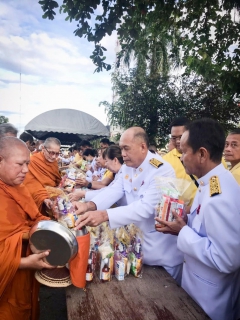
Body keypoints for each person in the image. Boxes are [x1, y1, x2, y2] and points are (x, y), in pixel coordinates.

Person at [73, 127, 183, 283]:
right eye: (121, 148)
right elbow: (113, 191)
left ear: (143, 147)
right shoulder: (127, 167)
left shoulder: (162, 170)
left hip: (160, 254)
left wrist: (104, 215)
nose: (122, 153)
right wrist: (89, 205)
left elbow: (145, 207)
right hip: (137, 249)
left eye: (126, 148)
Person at [155, 119, 240, 320]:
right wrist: (185, 220)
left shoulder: (219, 196)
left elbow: (227, 260)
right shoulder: (211, 183)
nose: (181, 158)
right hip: (199, 290)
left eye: (184, 152)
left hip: (210, 300)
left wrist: (182, 231)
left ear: (202, 154)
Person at [0, 137, 53, 320]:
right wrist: (23, 263)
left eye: (28, 164)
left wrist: (48, 225)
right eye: (20, 164)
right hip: (7, 285)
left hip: (24, 279)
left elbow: (34, 217)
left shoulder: (18, 187)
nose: (26, 170)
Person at [163, 117, 198, 208]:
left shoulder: (202, 155)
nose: (178, 141)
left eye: (181, 137)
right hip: (180, 213)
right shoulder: (165, 161)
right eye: (174, 138)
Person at [24, 137, 61, 216]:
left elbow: (56, 179)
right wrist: (44, 197)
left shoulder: (54, 162)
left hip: (53, 196)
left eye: (57, 153)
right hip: (41, 198)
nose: (54, 157)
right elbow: (31, 184)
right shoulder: (33, 161)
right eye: (51, 153)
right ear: (43, 148)